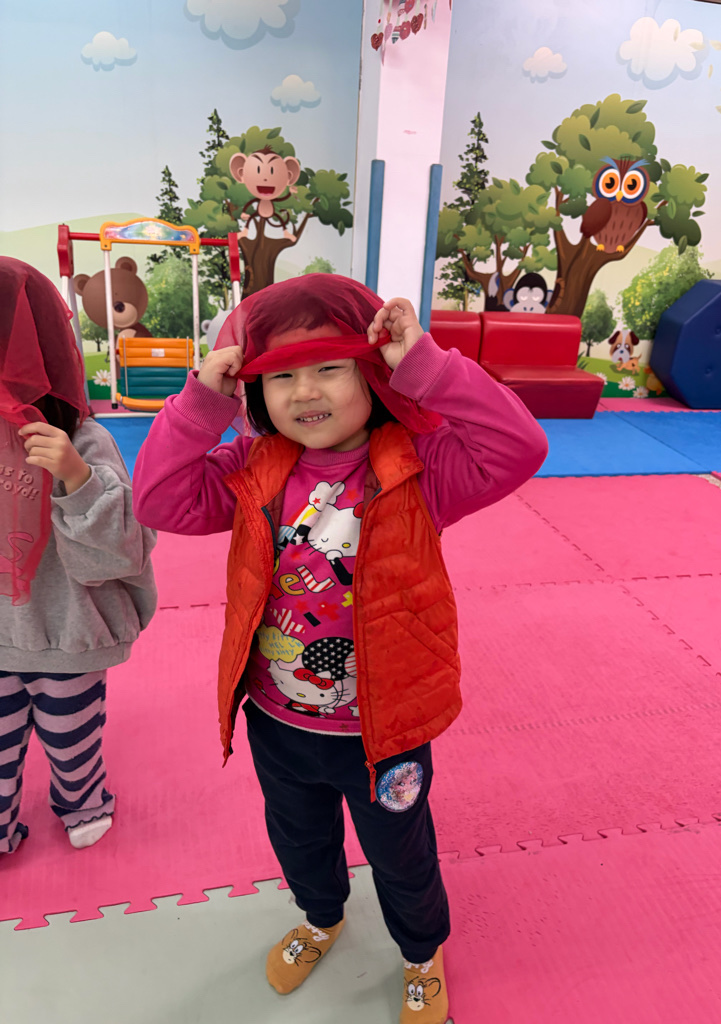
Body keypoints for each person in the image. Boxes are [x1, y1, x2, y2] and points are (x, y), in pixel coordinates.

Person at [132, 274, 547, 1023]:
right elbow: (159, 500)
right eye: (280, 376)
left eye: (328, 367)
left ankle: (420, 953)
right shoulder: (252, 469)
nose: (304, 391)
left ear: (371, 373)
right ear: (255, 392)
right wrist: (201, 404)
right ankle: (321, 917)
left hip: (385, 732)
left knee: (401, 854)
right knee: (297, 839)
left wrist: (425, 365)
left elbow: (519, 446)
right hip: (278, 719)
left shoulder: (422, 467)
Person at [0, 257, 157, 855]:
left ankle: (83, 801)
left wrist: (76, 477)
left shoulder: (84, 439)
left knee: (73, 740)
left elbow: (122, 552)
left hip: (68, 634)